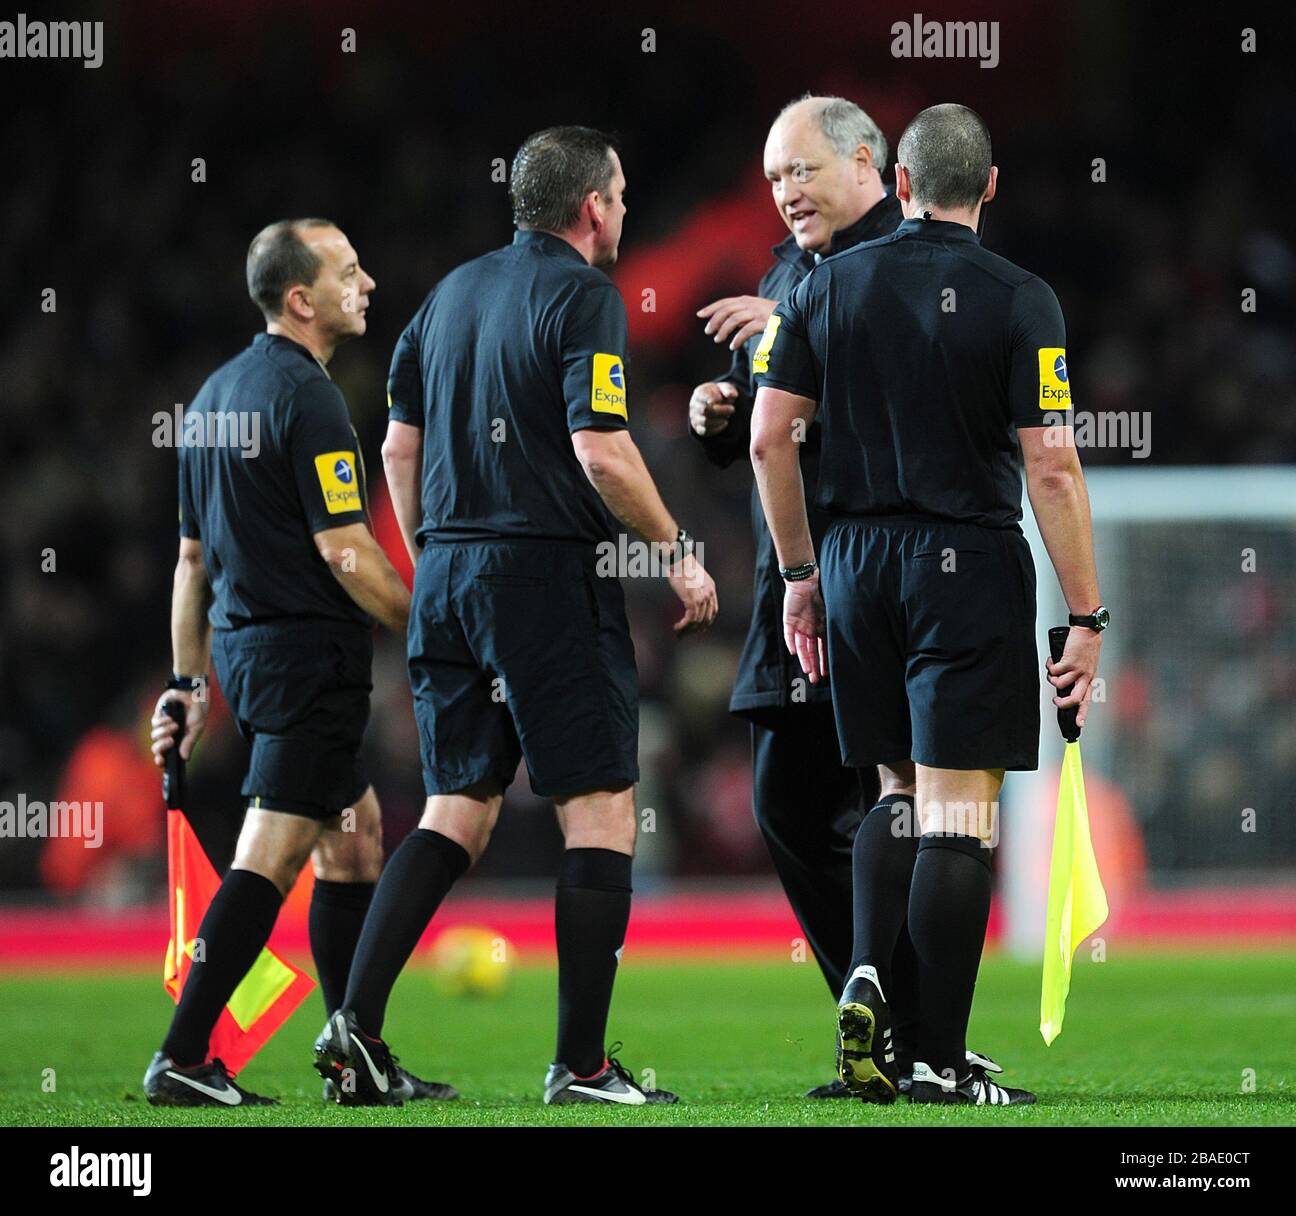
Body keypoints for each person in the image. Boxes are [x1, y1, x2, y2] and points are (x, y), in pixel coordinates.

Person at [315, 126, 718, 1107]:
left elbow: (396, 453)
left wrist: (437, 555)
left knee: (457, 807)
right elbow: (603, 450)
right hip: (540, 575)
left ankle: (353, 1030)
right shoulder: (584, 295)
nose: (621, 212)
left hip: (447, 573)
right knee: (602, 809)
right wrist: (675, 550)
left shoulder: (446, 296)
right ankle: (580, 1066)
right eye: (617, 196)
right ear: (590, 206)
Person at [751, 104, 1107, 1106]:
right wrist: (1085, 618)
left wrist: (800, 575)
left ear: (897, 183)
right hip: (966, 556)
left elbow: (769, 438)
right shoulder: (1021, 297)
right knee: (958, 812)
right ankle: (937, 1060)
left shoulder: (824, 286)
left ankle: (870, 994)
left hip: (857, 560)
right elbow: (1051, 462)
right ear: (988, 186)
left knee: (895, 793)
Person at [690, 94, 997, 1099]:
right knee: (793, 803)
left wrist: (787, 330)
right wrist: (726, 397)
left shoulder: (906, 262)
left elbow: (906, 377)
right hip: (801, 579)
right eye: (773, 179)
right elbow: (778, 418)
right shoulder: (793, 274)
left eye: (799, 172)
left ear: (870, 161)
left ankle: (913, 1030)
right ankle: (884, 1018)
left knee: (896, 793)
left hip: (869, 577)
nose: (784, 194)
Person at [144, 220, 453, 1107]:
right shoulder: (309, 398)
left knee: (352, 841)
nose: (368, 283)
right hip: (308, 657)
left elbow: (191, 565)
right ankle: (183, 1055)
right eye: (349, 272)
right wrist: (432, 628)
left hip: (250, 657)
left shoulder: (211, 399)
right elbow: (347, 552)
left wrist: (188, 683)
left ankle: (355, 1052)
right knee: (270, 855)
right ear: (300, 299)